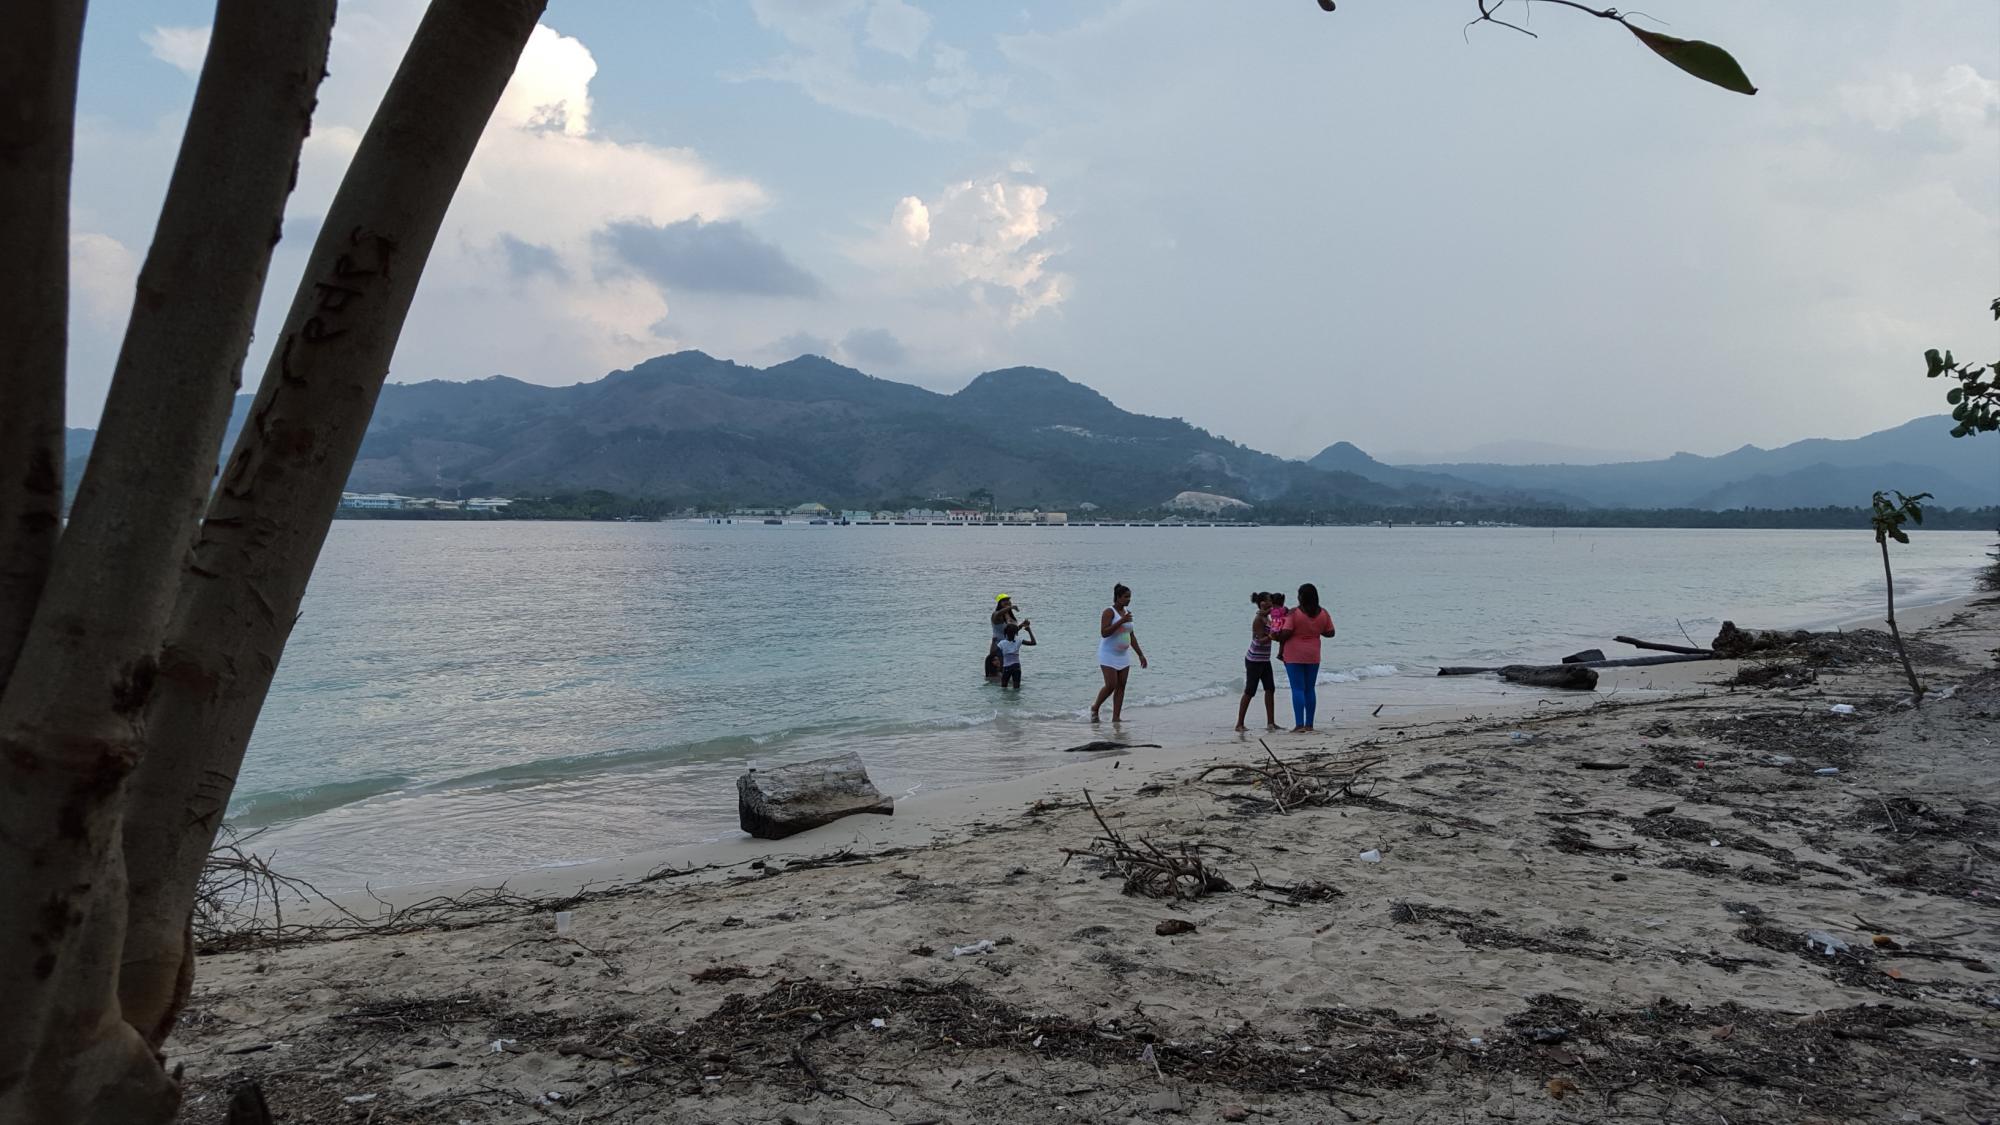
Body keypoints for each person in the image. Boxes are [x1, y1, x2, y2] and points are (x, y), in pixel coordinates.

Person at [1272, 582, 1335, 733]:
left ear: (1301, 597)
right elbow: (1330, 632)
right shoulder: (1323, 613)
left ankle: (1299, 724)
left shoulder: (1294, 613)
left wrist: (1275, 635)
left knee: (1297, 689)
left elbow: (1286, 633)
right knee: (1309, 689)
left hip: (1294, 655)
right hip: (1313, 654)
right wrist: (1315, 630)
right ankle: (1310, 724)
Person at [1090, 583, 1147, 723]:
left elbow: (1131, 635)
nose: (1129, 600)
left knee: (1121, 686)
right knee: (1111, 685)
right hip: (1108, 654)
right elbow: (1104, 633)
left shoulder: (1127, 613)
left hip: (1123, 656)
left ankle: (1116, 718)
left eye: (1130, 597)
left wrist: (1140, 654)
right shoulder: (1109, 612)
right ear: (1118, 597)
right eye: (1126, 597)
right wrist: (1121, 621)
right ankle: (1095, 707)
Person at [1235, 592, 1278, 732]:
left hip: (1265, 659)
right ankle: (1239, 724)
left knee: (1270, 689)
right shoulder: (1258, 619)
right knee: (1250, 691)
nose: (1270, 603)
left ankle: (1271, 723)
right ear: (1261, 603)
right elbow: (1260, 640)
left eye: (1271, 601)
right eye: (1267, 601)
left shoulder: (1267, 617)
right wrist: (1273, 635)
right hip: (1254, 660)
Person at [986, 594, 1019, 679]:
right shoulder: (996, 615)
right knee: (999, 672)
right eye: (1004, 600)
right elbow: (998, 614)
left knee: (1007, 672)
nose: (1007, 602)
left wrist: (1023, 626)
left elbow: (1012, 630)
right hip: (998, 646)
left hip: (1009, 647)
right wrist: (1010, 608)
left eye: (1008, 600)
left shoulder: (1008, 616)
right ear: (999, 603)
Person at [996, 620, 1035, 689]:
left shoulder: (1001, 644)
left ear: (1005, 633)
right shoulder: (1018, 641)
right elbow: (1033, 643)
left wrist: (1000, 669)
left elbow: (999, 657)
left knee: (1003, 688)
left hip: (1006, 668)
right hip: (1016, 667)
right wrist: (1029, 631)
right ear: (1015, 633)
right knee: (1016, 689)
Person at [1266, 591, 1289, 662]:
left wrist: (1261, 612)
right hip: (1281, 628)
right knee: (1282, 642)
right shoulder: (1284, 609)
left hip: (1273, 629)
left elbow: (1265, 613)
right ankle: (1280, 654)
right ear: (1282, 602)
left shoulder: (1271, 610)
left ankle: (1280, 654)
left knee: (1281, 642)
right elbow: (1290, 613)